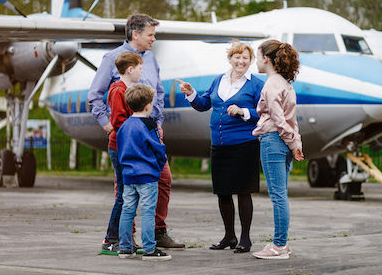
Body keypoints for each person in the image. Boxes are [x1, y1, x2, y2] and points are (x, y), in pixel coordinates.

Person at [87, 13, 185, 253]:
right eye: (150, 34)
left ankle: (158, 231)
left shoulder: (151, 59)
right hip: (127, 137)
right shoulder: (112, 58)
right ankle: (122, 237)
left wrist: (158, 121)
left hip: (151, 132)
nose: (154, 39)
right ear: (135, 34)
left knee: (163, 180)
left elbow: (158, 92)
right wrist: (108, 124)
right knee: (125, 189)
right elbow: (94, 95)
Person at [178, 42, 264, 253]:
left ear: (250, 61)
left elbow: (264, 111)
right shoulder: (219, 80)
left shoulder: (256, 84)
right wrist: (191, 94)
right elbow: (203, 105)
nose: (241, 61)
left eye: (245, 58)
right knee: (223, 192)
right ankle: (229, 236)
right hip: (219, 144)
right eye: (237, 57)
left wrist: (244, 111)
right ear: (230, 59)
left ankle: (245, 238)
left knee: (244, 192)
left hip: (245, 144)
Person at [251, 39, 304, 260]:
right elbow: (292, 121)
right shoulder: (286, 84)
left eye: (256, 56)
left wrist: (292, 143)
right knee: (281, 194)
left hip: (273, 140)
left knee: (278, 196)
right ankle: (283, 243)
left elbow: (278, 118)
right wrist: (296, 143)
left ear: (266, 58)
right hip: (284, 141)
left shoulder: (271, 84)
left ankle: (279, 246)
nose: (255, 61)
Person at [117, 84, 171, 261]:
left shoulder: (124, 126)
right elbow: (158, 149)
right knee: (148, 211)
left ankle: (125, 247)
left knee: (127, 210)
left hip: (128, 175)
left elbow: (120, 148)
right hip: (147, 176)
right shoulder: (150, 125)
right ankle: (149, 248)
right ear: (148, 106)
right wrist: (159, 164)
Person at [98, 51, 142, 255]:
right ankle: (110, 239)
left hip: (128, 146)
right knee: (123, 195)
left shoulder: (127, 89)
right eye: (140, 67)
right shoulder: (118, 90)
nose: (142, 71)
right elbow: (118, 121)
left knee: (129, 194)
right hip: (120, 147)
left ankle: (124, 239)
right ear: (131, 69)